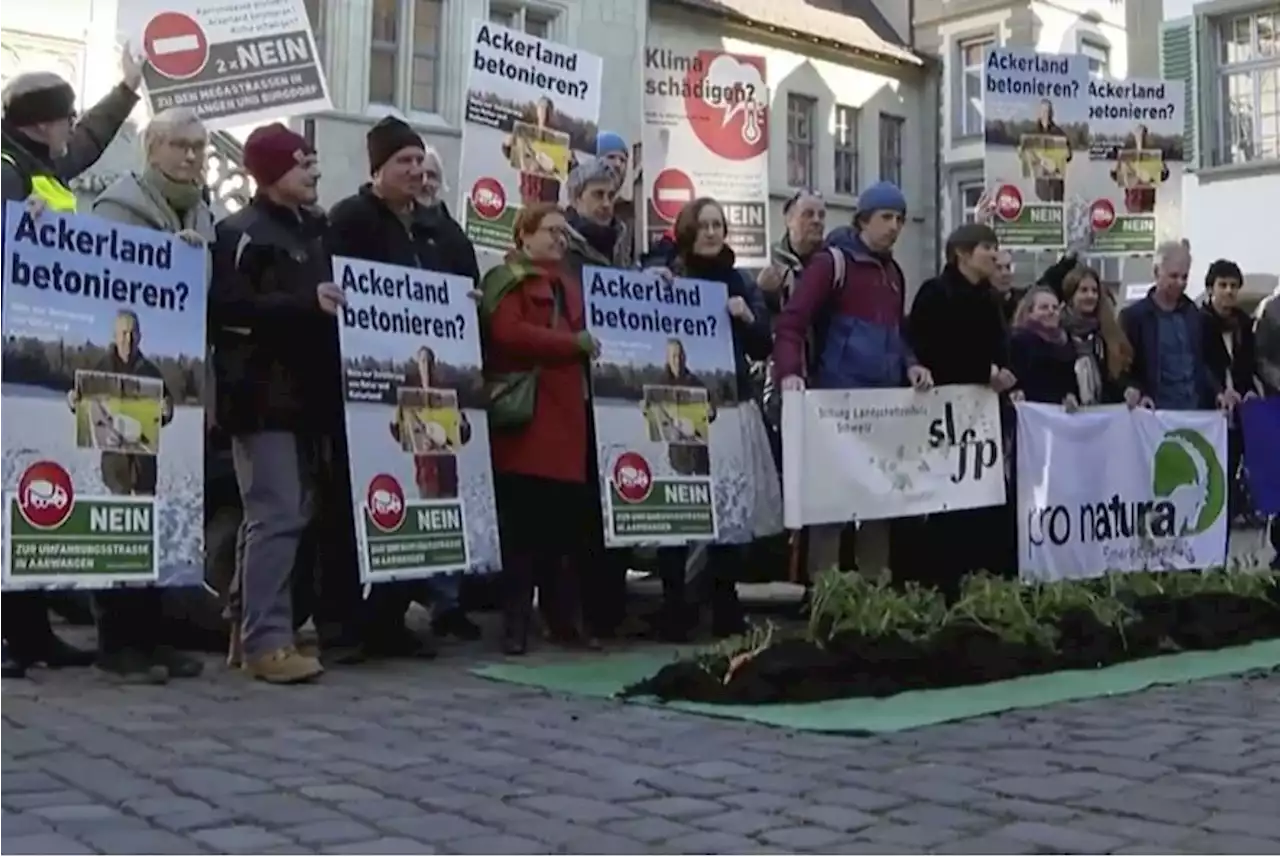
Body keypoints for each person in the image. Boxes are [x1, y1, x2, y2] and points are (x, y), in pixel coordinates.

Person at [0, 57, 146, 679]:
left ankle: (32, 634)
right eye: (66, 118)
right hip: (12, 358)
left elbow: (85, 147)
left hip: (32, 350)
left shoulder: (36, 163)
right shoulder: (7, 174)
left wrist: (129, 88)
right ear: (42, 124)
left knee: (28, 490)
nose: (73, 127)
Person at [328, 117, 483, 652]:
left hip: (431, 390)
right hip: (369, 390)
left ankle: (393, 620)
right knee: (367, 503)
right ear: (378, 170)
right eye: (405, 162)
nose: (416, 172)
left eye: (420, 161)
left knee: (417, 501)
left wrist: (468, 306)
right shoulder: (350, 219)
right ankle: (351, 625)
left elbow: (466, 281)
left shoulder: (438, 227)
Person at [209, 123, 340, 684]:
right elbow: (228, 310)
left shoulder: (315, 229)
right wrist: (305, 304)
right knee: (276, 515)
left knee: (279, 517)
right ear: (269, 172)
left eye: (312, 161)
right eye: (300, 163)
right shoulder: (238, 232)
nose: (313, 171)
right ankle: (269, 643)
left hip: (305, 396)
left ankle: (246, 632)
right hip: (259, 396)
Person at [773, 181, 931, 581]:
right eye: (886, 218)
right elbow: (792, 323)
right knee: (831, 505)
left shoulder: (894, 272)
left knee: (880, 502)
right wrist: (791, 374)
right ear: (864, 220)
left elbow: (897, 332)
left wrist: (911, 364)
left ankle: (875, 591)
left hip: (882, 408)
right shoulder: (832, 264)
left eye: (900, 219)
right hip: (834, 405)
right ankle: (824, 591)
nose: (895, 227)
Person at [642, 197, 774, 639]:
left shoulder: (738, 280)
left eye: (719, 225)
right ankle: (675, 603)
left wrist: (747, 316)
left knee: (729, 510)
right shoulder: (669, 275)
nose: (713, 232)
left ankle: (724, 603)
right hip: (680, 407)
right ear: (688, 231)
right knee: (680, 506)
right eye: (704, 225)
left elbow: (763, 345)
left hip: (728, 403)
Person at [480, 203, 597, 654]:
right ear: (524, 236)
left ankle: (562, 621)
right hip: (527, 421)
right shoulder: (508, 279)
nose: (559, 239)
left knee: (562, 533)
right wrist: (571, 344)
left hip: (564, 421)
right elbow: (508, 335)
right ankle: (516, 626)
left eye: (564, 233)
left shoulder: (569, 284)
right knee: (523, 534)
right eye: (550, 231)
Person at [66, 309, 203, 682]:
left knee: (145, 556)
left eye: (133, 332)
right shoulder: (101, 366)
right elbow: (81, 403)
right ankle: (116, 648)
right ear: (115, 334)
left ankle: (148, 642)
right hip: (114, 472)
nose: (127, 338)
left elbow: (167, 409)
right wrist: (73, 400)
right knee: (118, 555)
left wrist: (166, 409)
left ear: (140, 336)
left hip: (145, 473)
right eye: (122, 332)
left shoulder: (150, 371)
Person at [906, 223, 1015, 596]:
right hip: (944, 418)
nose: (995, 255)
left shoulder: (990, 298)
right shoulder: (935, 294)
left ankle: (981, 584)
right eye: (987, 247)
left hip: (984, 418)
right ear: (963, 253)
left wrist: (1004, 372)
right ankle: (941, 588)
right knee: (946, 507)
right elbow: (930, 349)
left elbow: (1001, 346)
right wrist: (983, 371)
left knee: (984, 504)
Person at [1119, 240, 1232, 413]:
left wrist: (1218, 392)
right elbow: (1122, 369)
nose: (1180, 283)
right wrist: (1137, 392)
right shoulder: (1133, 317)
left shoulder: (1197, 316)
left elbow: (1203, 365)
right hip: (1155, 416)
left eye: (1184, 277)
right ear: (1157, 273)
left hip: (1195, 414)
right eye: (1173, 276)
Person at [1200, 259, 1260, 523]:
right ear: (1211, 288)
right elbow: (1198, 365)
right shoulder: (1198, 323)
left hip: (1239, 418)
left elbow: (1249, 366)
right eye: (1222, 285)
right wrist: (1218, 391)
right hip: (1207, 414)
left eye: (1234, 286)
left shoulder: (1245, 326)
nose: (1228, 292)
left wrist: (1248, 392)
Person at [1060, 265, 1135, 406]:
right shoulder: (1058, 333)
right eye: (1083, 290)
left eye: (1094, 291)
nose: (1090, 296)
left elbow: (1119, 375)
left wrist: (1128, 390)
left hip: (1104, 415)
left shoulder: (1108, 333)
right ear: (1071, 296)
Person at [1009, 287, 1081, 411]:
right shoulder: (1017, 341)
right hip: (1028, 413)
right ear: (1029, 312)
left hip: (1056, 416)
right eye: (1044, 307)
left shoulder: (1067, 343)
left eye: (1055, 307)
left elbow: (1070, 381)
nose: (1051, 311)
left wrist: (1071, 395)